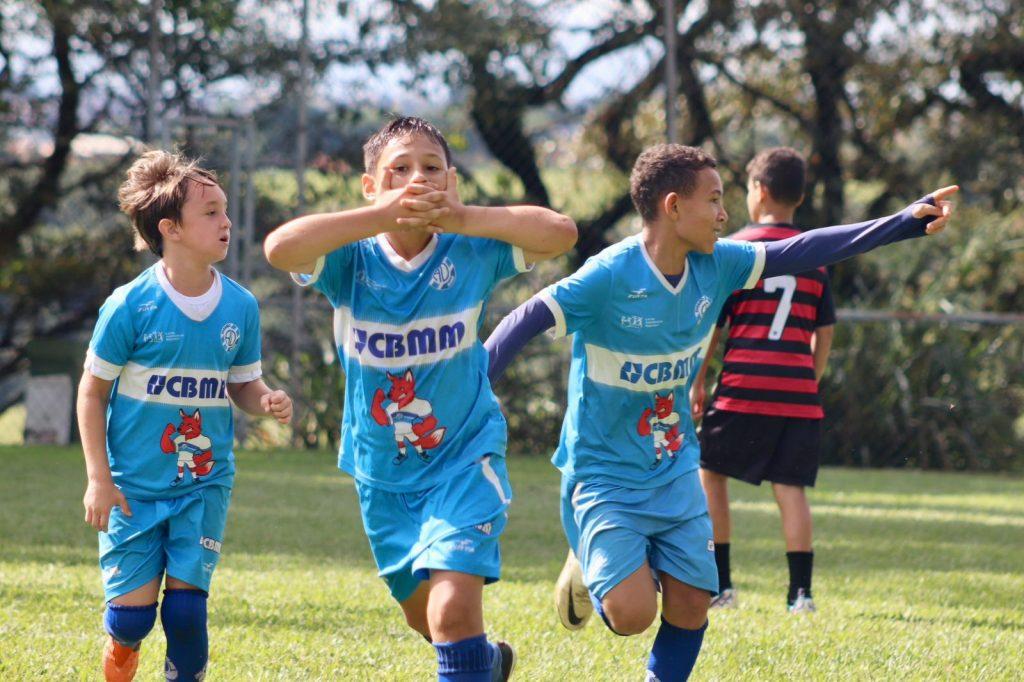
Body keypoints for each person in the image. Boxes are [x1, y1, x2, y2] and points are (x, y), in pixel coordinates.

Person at [484, 143, 956, 681]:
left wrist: (902, 223)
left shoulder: (720, 264)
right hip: (603, 474)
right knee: (633, 614)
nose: (724, 214)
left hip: (674, 468)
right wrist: (476, 387)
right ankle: (591, 567)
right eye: (713, 200)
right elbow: (524, 317)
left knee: (692, 603)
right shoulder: (610, 275)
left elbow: (803, 248)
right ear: (673, 206)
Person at [263, 116, 577, 682]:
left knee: (451, 611)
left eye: (432, 168)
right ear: (370, 186)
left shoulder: (470, 250)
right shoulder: (351, 259)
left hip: (463, 459)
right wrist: (380, 216)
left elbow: (559, 232)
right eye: (399, 169)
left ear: (451, 181)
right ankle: (488, 665)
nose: (416, 179)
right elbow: (279, 248)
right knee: (426, 618)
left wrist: (462, 216)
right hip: (380, 473)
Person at [78, 150, 293, 681]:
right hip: (133, 486)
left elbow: (241, 384)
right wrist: (99, 479)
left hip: (204, 483)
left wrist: (265, 398)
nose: (227, 222)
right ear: (170, 229)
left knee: (186, 614)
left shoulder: (240, 306)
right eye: (211, 212)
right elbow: (91, 393)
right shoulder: (129, 306)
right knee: (130, 620)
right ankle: (121, 647)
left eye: (226, 210)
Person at [691, 147, 834, 614]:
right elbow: (825, 331)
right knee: (790, 489)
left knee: (711, 474)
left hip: (742, 392)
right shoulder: (816, 257)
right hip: (797, 396)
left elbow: (713, 325)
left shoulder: (737, 251)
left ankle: (721, 586)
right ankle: (800, 595)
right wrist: (809, 379)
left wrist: (697, 382)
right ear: (801, 196)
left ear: (760, 190)